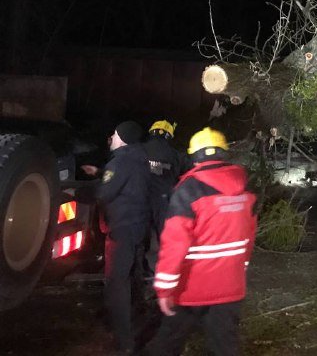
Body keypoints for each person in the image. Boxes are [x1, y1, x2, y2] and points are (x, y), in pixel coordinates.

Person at [145, 127, 257, 356]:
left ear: (194, 157)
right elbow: (249, 234)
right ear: (223, 154)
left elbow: (174, 244)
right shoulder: (246, 187)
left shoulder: (188, 190)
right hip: (230, 284)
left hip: (191, 286)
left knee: (168, 342)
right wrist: (240, 268)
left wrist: (165, 288)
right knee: (225, 345)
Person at [94, 120, 151, 355]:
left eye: (115, 135)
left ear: (123, 138)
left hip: (122, 231)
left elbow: (104, 193)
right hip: (137, 229)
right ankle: (138, 322)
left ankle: (124, 340)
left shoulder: (120, 161)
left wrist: (77, 190)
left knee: (116, 284)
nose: (112, 138)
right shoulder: (140, 159)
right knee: (133, 278)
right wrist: (100, 173)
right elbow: (124, 184)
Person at [143, 119, 186, 275]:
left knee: (141, 238)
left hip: (141, 201)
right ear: (169, 135)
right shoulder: (175, 155)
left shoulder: (138, 150)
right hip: (164, 202)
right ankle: (166, 272)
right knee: (165, 238)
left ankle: (142, 271)